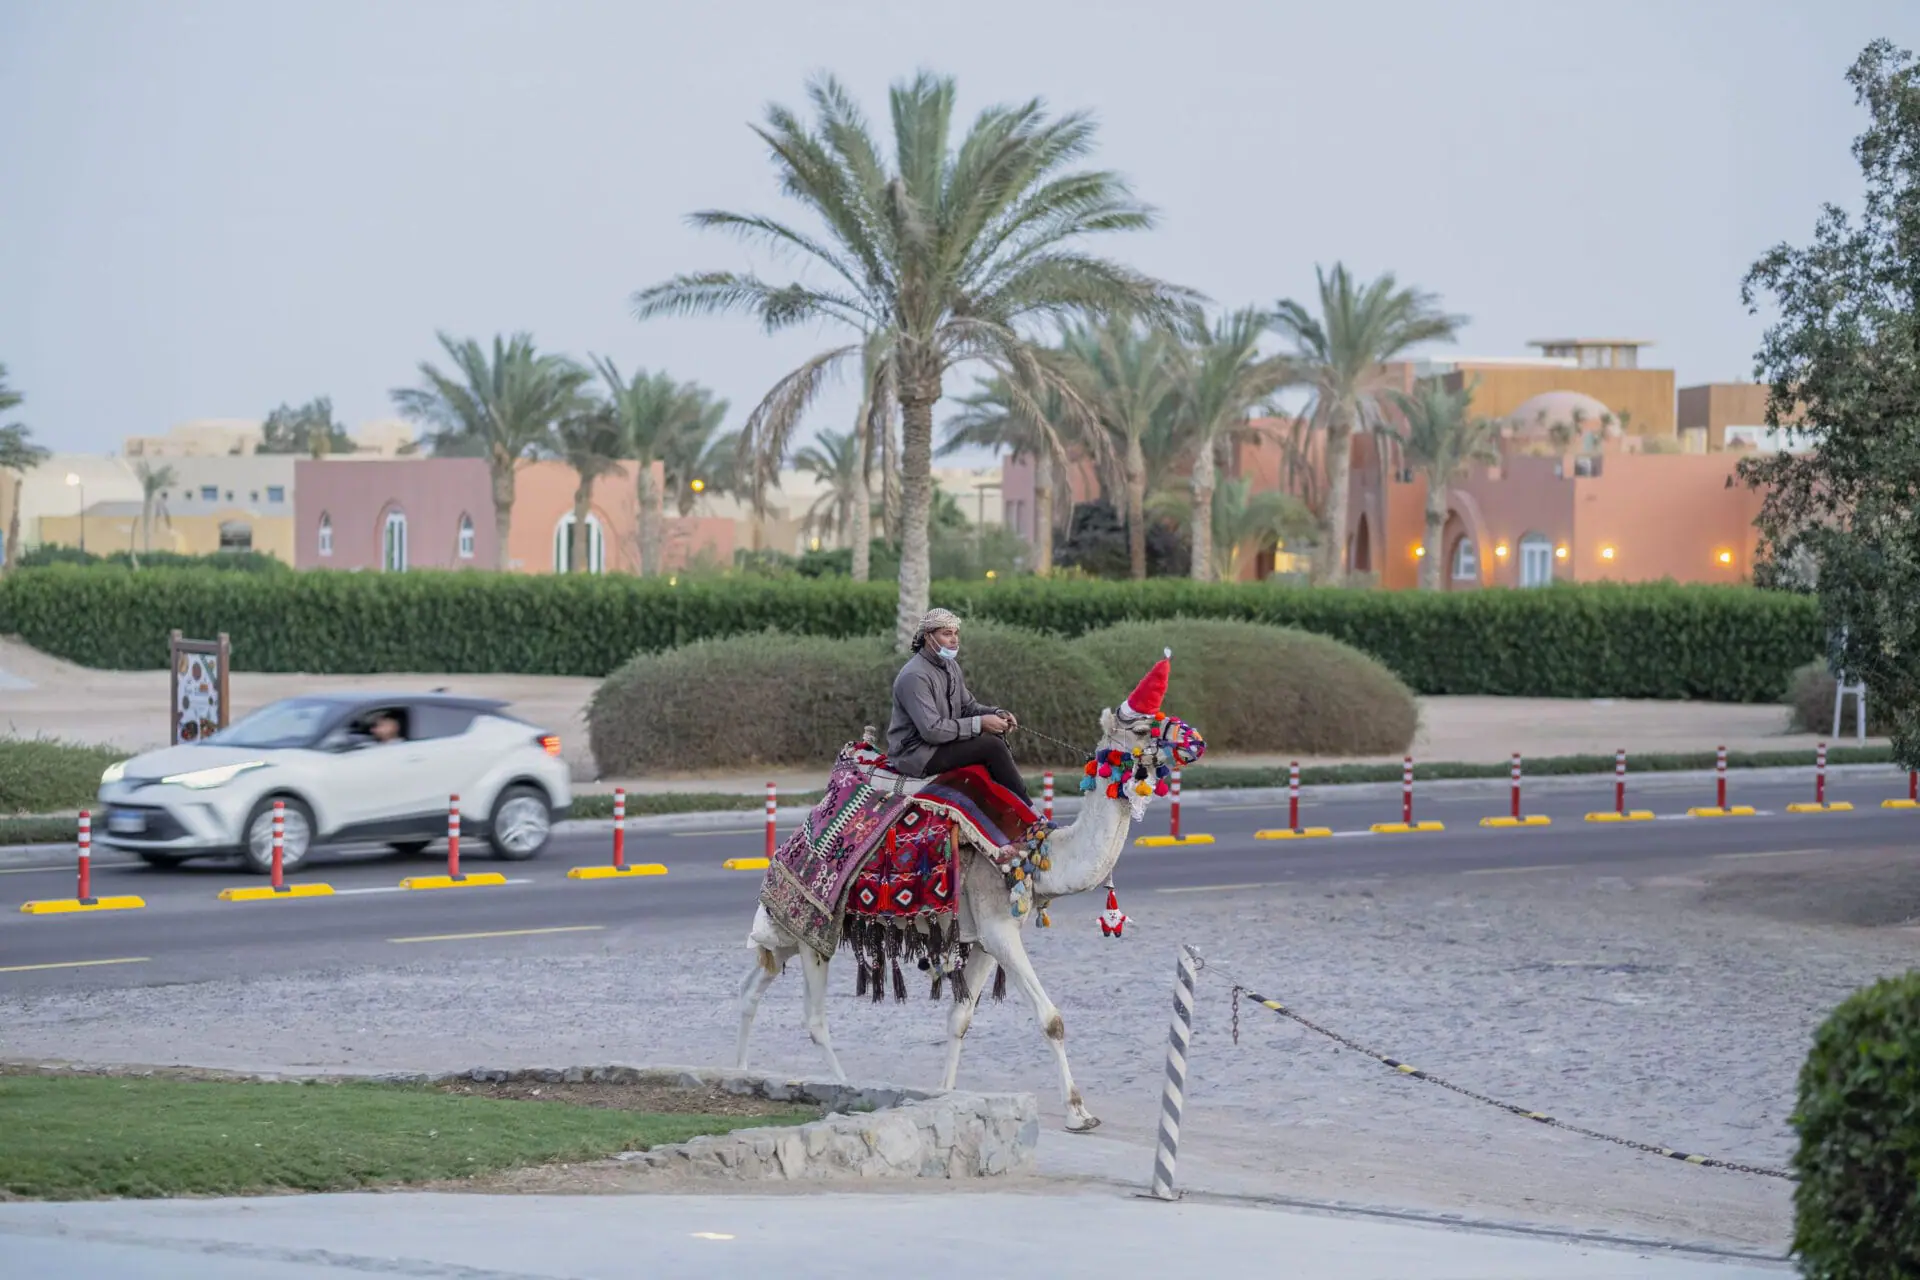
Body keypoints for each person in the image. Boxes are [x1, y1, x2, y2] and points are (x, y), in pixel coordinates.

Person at [886, 608, 1031, 802]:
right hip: (916, 754)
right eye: (947, 634)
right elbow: (932, 730)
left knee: (993, 740)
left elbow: (967, 707)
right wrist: (980, 724)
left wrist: (996, 713)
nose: (954, 640)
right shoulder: (915, 676)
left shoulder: (950, 665)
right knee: (991, 747)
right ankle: (1028, 813)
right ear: (929, 637)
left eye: (955, 634)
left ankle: (1005, 813)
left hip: (940, 745)